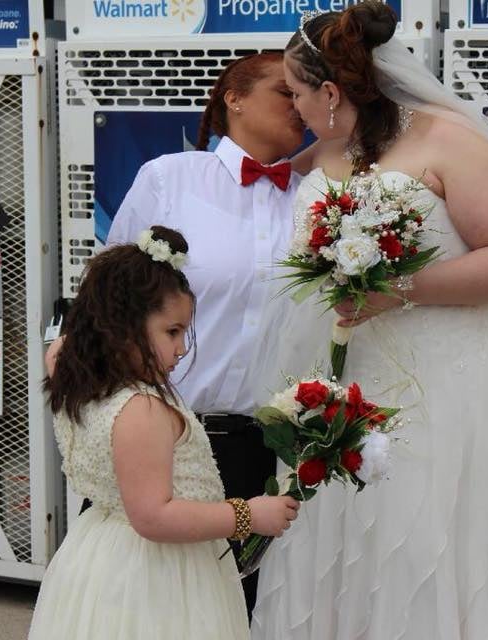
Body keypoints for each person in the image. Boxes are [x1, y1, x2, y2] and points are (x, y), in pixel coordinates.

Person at [248, 3, 488, 638]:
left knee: (438, 538)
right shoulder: (324, 155)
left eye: (298, 92)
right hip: (348, 385)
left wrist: (399, 287)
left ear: (332, 92)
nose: (294, 107)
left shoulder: (448, 141)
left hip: (451, 387)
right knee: (350, 539)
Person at [100, 51, 306, 615]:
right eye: (285, 92)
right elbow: (111, 299)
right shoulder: (169, 178)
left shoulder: (317, 195)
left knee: (268, 609)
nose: (301, 105)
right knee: (177, 608)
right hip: (185, 439)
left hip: (291, 445)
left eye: (306, 93)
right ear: (234, 99)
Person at [28, 226, 299, 640]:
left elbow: (63, 345)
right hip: (154, 573)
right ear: (121, 328)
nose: (182, 348)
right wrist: (248, 515)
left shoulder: (71, 375)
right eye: (171, 332)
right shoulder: (142, 410)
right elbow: (153, 516)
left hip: (98, 554)